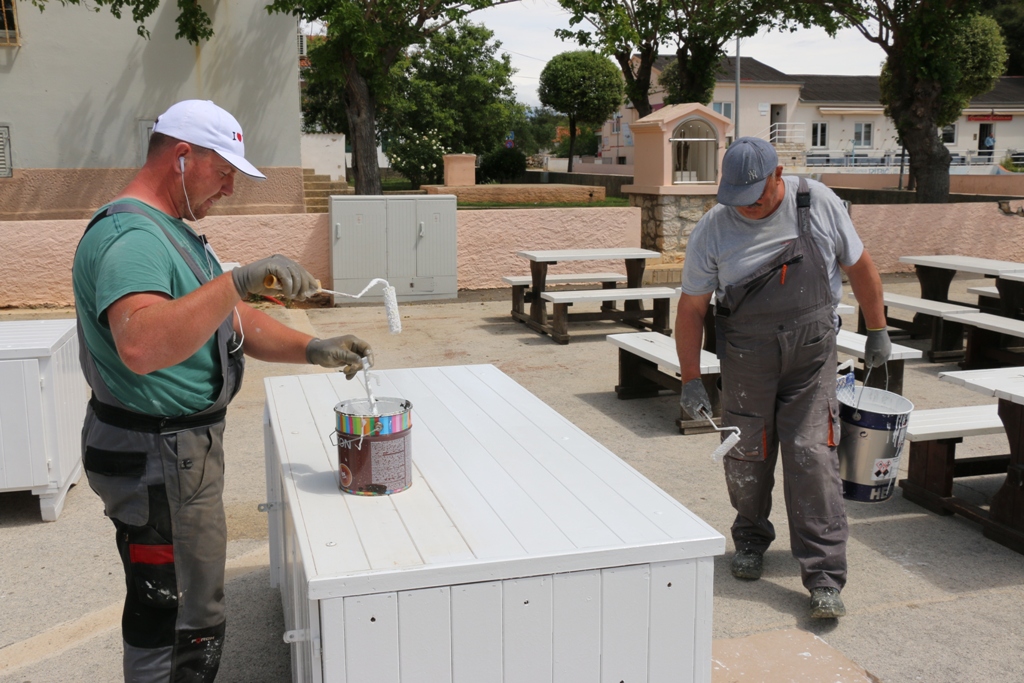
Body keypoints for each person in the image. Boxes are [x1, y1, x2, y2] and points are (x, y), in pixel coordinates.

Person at [72, 99, 373, 682]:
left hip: (172, 456)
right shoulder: (132, 236)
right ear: (182, 157)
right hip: (157, 460)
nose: (231, 187)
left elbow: (228, 321)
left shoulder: (170, 232)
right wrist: (236, 279)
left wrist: (309, 347)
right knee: (179, 615)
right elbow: (142, 343)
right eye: (225, 170)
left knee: (184, 602)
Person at [674, 137, 889, 619]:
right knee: (746, 454)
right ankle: (751, 538)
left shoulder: (818, 203)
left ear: (778, 175)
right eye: (738, 200)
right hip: (747, 357)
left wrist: (878, 328)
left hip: (811, 355)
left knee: (812, 456)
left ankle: (825, 577)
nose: (748, 208)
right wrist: (691, 377)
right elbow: (690, 308)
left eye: (758, 197)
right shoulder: (713, 228)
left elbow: (860, 266)